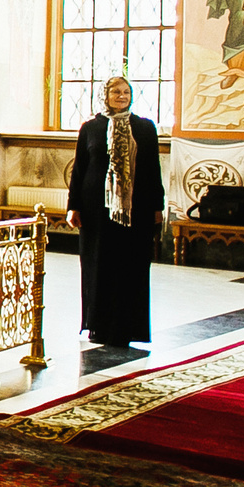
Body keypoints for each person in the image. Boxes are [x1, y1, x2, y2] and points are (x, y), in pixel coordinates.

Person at [67, 75, 162, 346]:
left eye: (126, 91)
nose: (122, 96)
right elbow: (79, 169)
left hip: (137, 208)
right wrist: (73, 206)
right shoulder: (91, 128)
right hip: (96, 209)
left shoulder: (144, 128)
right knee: (98, 265)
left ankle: (129, 327)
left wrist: (158, 206)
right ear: (104, 96)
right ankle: (97, 324)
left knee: (131, 265)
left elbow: (153, 170)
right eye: (116, 92)